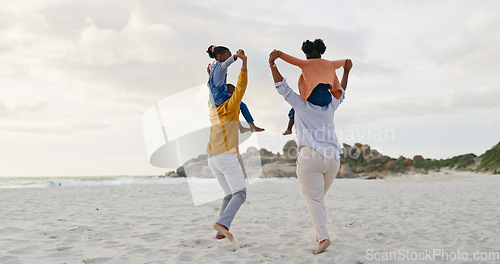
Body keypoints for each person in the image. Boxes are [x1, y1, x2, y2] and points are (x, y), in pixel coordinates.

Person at [269, 49, 353, 255]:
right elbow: (341, 90)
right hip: (333, 159)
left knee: (314, 199)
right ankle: (319, 232)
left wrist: (273, 65)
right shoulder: (331, 105)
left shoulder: (301, 104)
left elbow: (282, 88)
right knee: (317, 199)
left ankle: (323, 238)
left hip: (310, 157)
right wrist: (347, 71)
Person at [206, 49, 249, 250]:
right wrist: (244, 64)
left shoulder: (212, 108)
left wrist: (210, 76)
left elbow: (213, 87)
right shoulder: (232, 105)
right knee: (240, 194)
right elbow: (240, 87)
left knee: (228, 195)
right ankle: (222, 224)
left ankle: (219, 233)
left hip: (212, 158)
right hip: (226, 156)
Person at [272, 39, 346, 135]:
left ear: (314, 52)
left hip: (312, 97)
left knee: (295, 108)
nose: (306, 57)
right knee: (296, 107)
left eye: (307, 55)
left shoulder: (305, 63)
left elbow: (292, 60)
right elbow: (343, 62)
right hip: (326, 98)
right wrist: (346, 66)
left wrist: (279, 54)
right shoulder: (330, 64)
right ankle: (289, 128)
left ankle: (289, 128)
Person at [207, 45, 264, 133]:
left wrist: (209, 73)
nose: (228, 58)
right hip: (220, 96)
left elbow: (212, 79)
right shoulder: (221, 66)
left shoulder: (212, 66)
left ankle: (241, 127)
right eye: (227, 56)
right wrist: (238, 55)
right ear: (220, 56)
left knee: (234, 108)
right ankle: (252, 126)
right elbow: (230, 61)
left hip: (213, 99)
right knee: (241, 105)